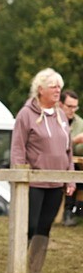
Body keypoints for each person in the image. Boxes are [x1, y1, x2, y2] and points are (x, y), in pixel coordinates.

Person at [11, 68, 73, 273]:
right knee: (28, 225)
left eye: (59, 87)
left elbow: (68, 148)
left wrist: (70, 175)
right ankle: (14, 271)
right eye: (53, 86)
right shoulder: (26, 115)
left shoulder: (61, 115)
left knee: (44, 227)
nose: (58, 91)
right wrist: (20, 175)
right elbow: (18, 147)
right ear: (40, 89)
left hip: (57, 182)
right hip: (34, 182)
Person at [58, 89, 83, 226]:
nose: (73, 110)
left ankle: (77, 211)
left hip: (75, 165)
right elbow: (54, 146)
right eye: (70, 106)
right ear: (61, 104)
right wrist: (74, 141)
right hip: (55, 165)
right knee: (72, 176)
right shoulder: (53, 119)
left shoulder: (80, 123)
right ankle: (68, 212)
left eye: (75, 107)